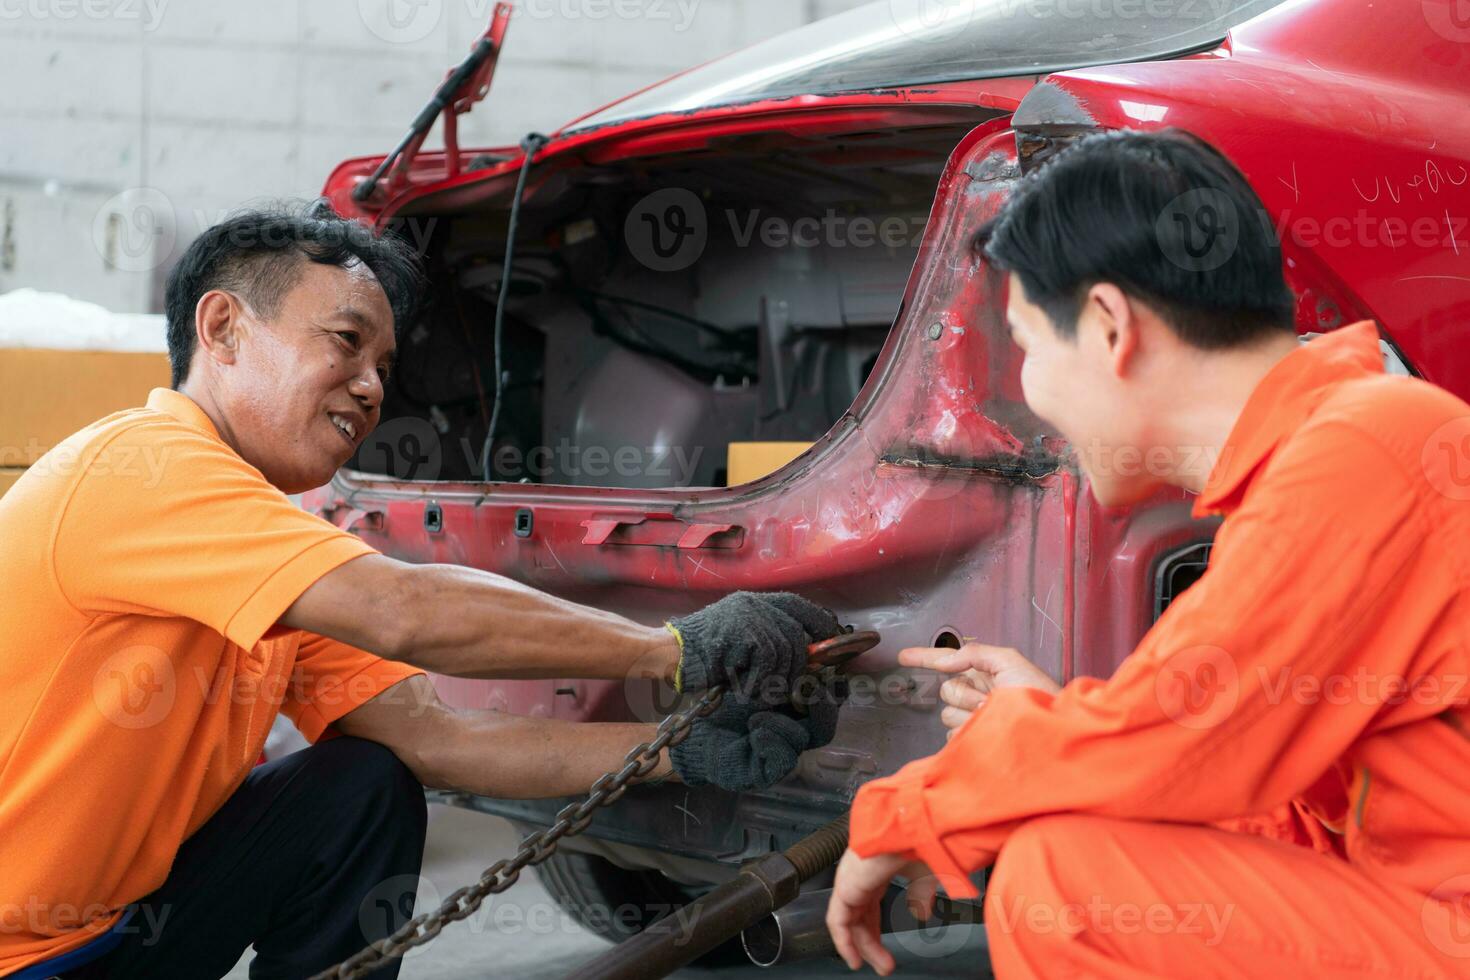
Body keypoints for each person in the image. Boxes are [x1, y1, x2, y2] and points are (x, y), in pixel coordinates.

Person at [0, 203, 843, 980]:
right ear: (222, 328)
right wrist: (673, 651)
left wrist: (676, 751)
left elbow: (435, 739)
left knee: (363, 786)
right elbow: (403, 610)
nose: (371, 388)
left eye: (384, 364)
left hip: (107, 932)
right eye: (344, 341)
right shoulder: (141, 466)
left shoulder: (271, 546)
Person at [826, 129, 1470, 977]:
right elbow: (1255, 791)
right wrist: (1062, 739)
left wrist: (912, 810)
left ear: (1107, 326)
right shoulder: (1345, 447)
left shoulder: (1369, 449)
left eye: (1025, 345)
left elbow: (1187, 747)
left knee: (1064, 883)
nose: (1025, 391)